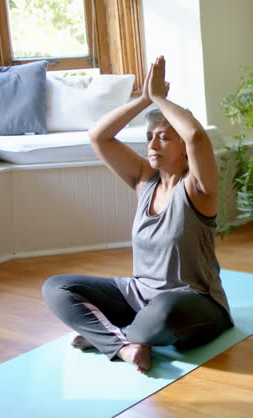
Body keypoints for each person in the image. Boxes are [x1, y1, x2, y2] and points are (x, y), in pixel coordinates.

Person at [42, 56, 232, 373]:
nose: (152, 143)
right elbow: (98, 136)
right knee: (57, 287)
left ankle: (110, 336)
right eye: (149, 137)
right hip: (138, 296)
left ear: (183, 147)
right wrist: (143, 98)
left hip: (194, 304)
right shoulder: (145, 181)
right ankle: (125, 345)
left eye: (164, 136)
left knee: (163, 313)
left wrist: (160, 97)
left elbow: (197, 137)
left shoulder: (198, 188)